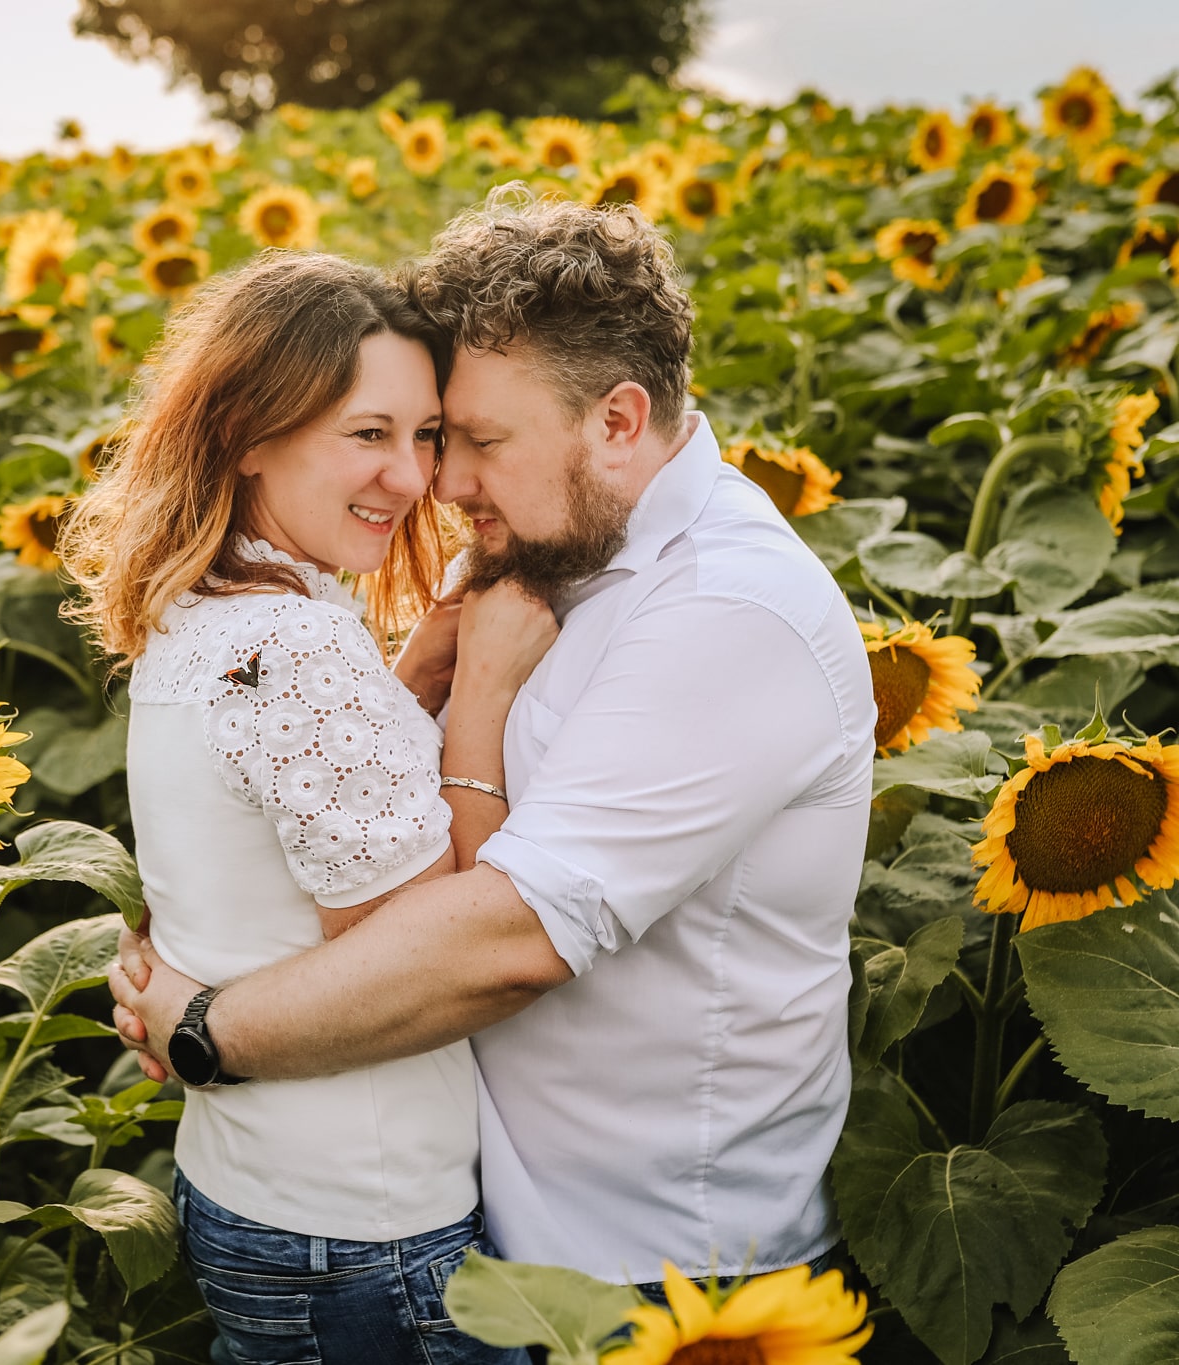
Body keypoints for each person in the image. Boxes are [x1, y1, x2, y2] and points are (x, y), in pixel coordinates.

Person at [109, 190, 876, 1301]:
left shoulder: (726, 613)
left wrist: (204, 1026)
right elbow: (331, 795)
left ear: (615, 420)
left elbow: (504, 940)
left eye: (473, 441)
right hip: (463, 1233)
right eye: (426, 435)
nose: (440, 482)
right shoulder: (538, 548)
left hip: (647, 1268)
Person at [58, 249, 555, 1365]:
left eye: (425, 436)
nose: (410, 476)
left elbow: (275, 830)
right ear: (247, 432)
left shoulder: (200, 612)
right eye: (365, 434)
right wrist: (478, 693)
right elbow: (425, 945)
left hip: (257, 1187)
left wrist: (410, 676)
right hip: (366, 1227)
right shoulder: (294, 645)